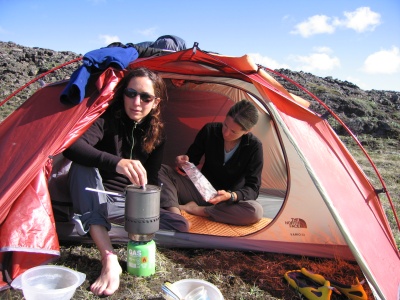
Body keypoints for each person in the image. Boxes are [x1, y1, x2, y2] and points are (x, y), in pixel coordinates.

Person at [63, 67, 188, 296]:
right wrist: (117, 163)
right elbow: (71, 147)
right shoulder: (107, 119)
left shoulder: (157, 134)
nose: (136, 102)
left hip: (127, 204)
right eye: (131, 93)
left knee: (179, 225)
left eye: (145, 97)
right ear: (123, 94)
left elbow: (151, 178)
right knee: (81, 168)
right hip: (96, 192)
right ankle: (108, 256)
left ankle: (95, 225)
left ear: (156, 102)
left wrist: (153, 207)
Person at [159, 99, 264, 230]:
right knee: (162, 169)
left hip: (227, 202)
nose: (226, 133)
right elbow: (190, 162)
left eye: (233, 132)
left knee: (255, 211)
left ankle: (197, 210)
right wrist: (183, 162)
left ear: (247, 131)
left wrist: (231, 196)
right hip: (201, 191)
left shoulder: (254, 146)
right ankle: (175, 216)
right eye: (225, 125)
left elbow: (253, 188)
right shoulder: (210, 130)